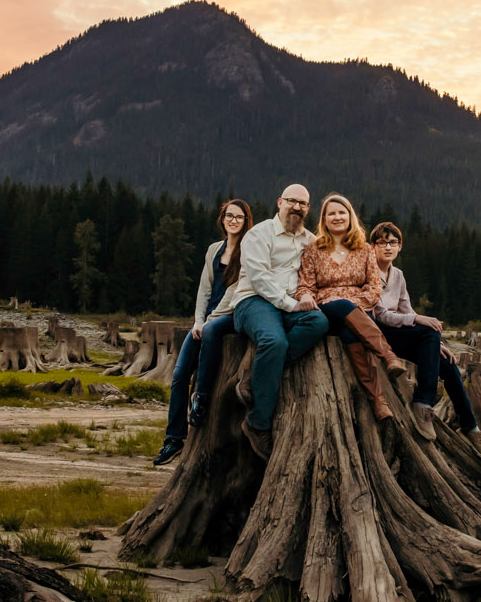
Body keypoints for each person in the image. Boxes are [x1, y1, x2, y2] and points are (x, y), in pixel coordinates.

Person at [204, 183, 331, 458]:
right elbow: (259, 279)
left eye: (303, 203)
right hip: (254, 301)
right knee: (273, 341)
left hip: (290, 304)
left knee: (319, 323)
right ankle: (257, 423)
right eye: (291, 201)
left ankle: (257, 376)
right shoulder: (259, 234)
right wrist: (291, 304)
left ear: (309, 209)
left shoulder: (310, 240)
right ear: (279, 203)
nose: (297, 207)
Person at [296, 194, 412, 424]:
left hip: (357, 312)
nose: (337, 217)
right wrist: (307, 295)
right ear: (324, 220)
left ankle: (378, 400)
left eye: (342, 212)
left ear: (350, 216)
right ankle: (388, 355)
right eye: (332, 214)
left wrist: (356, 304)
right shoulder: (313, 249)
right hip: (327, 308)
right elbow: (304, 286)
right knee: (339, 304)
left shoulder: (365, 249)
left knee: (352, 333)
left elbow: (373, 286)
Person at [153, 198, 249, 466]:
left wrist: (210, 320)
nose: (233, 221)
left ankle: (201, 399)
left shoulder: (249, 251)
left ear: (245, 221)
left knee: (209, 340)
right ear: (222, 219)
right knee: (180, 373)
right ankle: (173, 439)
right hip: (205, 319)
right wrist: (198, 320)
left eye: (239, 217)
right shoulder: (213, 250)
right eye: (229, 216)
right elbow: (204, 289)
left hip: (229, 316)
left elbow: (235, 292)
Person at [370, 221, 480, 434]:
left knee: (447, 364)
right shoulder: (368, 271)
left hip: (398, 333)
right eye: (382, 242)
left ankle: (471, 427)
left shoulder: (398, 275)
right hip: (379, 333)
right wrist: (419, 320)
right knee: (428, 329)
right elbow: (380, 315)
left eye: (393, 242)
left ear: (400, 246)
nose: (388, 247)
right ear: (372, 246)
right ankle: (423, 402)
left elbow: (406, 309)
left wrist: (434, 344)